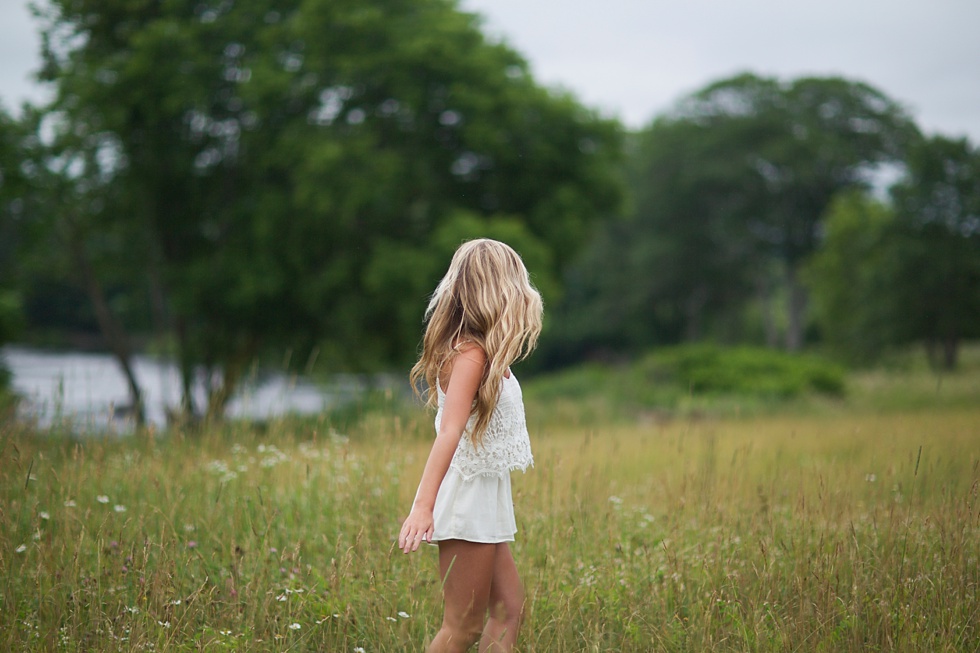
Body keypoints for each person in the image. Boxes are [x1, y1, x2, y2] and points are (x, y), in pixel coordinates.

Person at [398, 238, 543, 653]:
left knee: (508, 607)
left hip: (487, 491)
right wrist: (422, 507)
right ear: (498, 289)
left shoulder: (484, 352)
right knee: (462, 626)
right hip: (468, 496)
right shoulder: (471, 354)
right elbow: (450, 432)